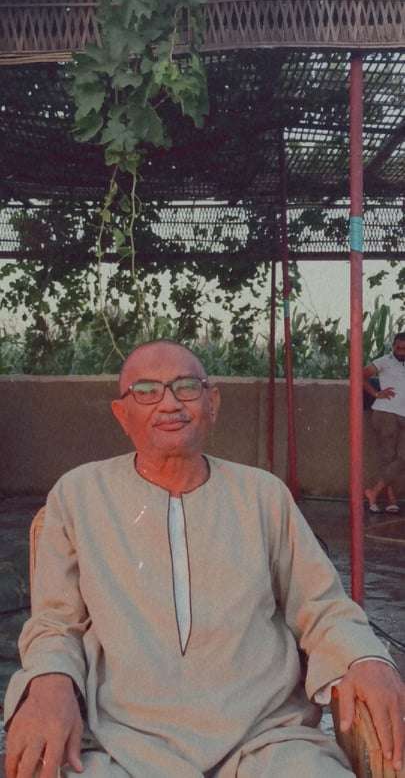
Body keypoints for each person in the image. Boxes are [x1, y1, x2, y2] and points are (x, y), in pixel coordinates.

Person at [4, 340, 405, 778]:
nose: (169, 404)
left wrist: (365, 659)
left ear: (212, 402)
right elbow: (55, 623)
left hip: (266, 741)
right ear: (122, 414)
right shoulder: (79, 494)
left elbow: (322, 606)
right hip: (123, 743)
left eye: (186, 387)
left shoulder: (263, 495)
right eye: (146, 391)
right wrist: (49, 681)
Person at [364, 332, 405, 513]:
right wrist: (376, 393)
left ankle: (373, 492)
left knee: (402, 457)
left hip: (403, 414)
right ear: (393, 346)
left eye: (404, 349)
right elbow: (360, 375)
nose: (400, 351)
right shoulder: (384, 361)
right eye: (398, 347)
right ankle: (390, 499)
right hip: (386, 413)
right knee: (388, 457)